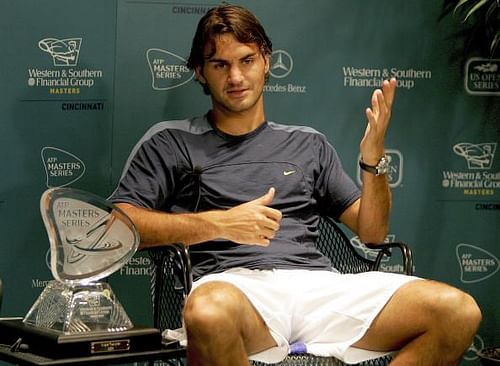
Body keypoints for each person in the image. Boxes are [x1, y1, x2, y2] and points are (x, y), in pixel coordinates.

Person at [111, 4, 481, 365]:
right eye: (220, 65)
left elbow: (372, 233)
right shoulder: (170, 141)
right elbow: (120, 226)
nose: (236, 77)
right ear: (200, 72)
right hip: (237, 290)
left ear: (266, 61)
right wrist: (220, 223)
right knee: (208, 312)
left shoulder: (309, 143)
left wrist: (373, 161)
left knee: (457, 311)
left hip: (320, 286)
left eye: (246, 60)